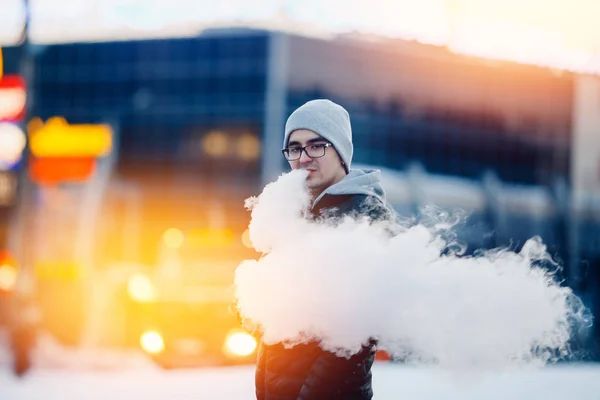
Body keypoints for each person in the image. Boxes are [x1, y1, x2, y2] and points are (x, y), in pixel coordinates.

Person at [254, 99, 393, 400]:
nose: (303, 157)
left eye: (316, 145)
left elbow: (351, 340)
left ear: (340, 151)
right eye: (294, 148)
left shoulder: (363, 214)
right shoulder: (299, 213)